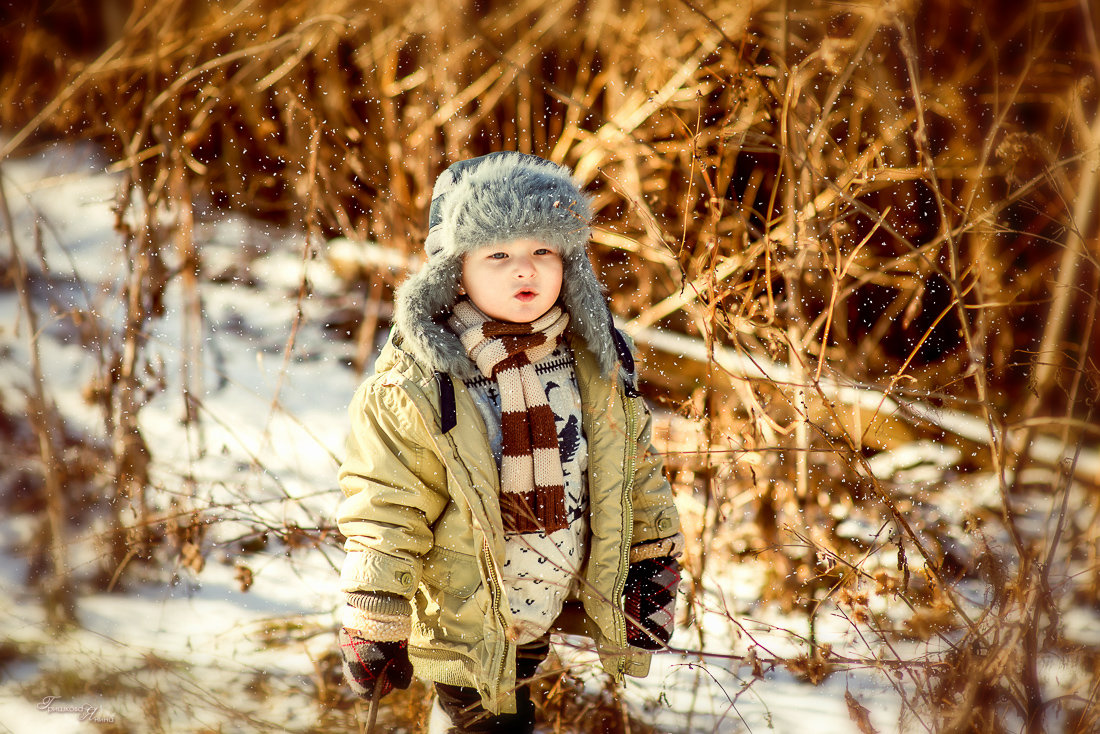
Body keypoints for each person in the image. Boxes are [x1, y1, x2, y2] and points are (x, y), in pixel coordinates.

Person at [335, 151, 683, 733]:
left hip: (545, 600)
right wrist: (374, 615)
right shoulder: (422, 382)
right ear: (455, 270)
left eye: (542, 251)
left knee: (508, 705)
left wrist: (650, 564)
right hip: (463, 609)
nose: (526, 270)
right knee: (488, 720)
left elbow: (633, 473)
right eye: (499, 254)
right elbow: (386, 507)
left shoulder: (592, 365)